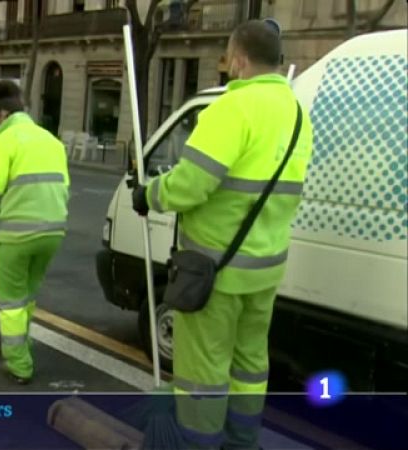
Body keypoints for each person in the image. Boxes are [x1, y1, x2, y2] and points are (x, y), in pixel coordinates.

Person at [132, 20, 313, 448]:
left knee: (203, 371)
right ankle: (241, 442)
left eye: (229, 58)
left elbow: (190, 185)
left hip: (214, 272)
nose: (228, 66)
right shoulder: (297, 114)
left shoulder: (230, 109)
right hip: (265, 269)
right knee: (249, 365)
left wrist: (149, 194)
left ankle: (198, 443)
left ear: (240, 60)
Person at [0, 81, 70, 384]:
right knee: (28, 295)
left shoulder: (5, 141)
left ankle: (19, 364)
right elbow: (64, 186)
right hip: (53, 232)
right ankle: (22, 340)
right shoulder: (51, 140)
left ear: (4, 114)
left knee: (10, 302)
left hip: (16, 236)